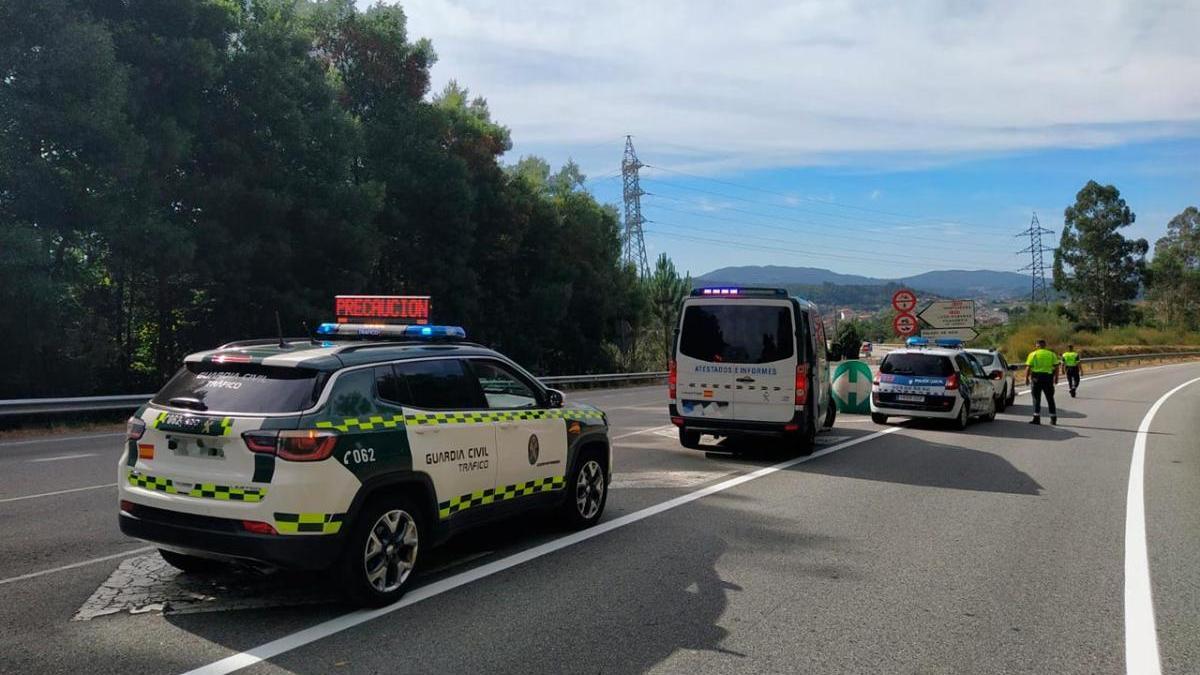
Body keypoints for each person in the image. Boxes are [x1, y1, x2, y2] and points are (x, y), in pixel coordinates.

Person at [1025, 339, 1059, 425]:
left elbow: (1028, 367)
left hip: (1036, 378)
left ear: (1037, 346)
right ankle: (1053, 418)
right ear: (1045, 345)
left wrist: (1026, 378)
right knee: (1050, 398)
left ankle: (1036, 418)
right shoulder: (1051, 354)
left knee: (1036, 398)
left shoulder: (1033, 354)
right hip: (1048, 378)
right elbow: (1056, 367)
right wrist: (1056, 378)